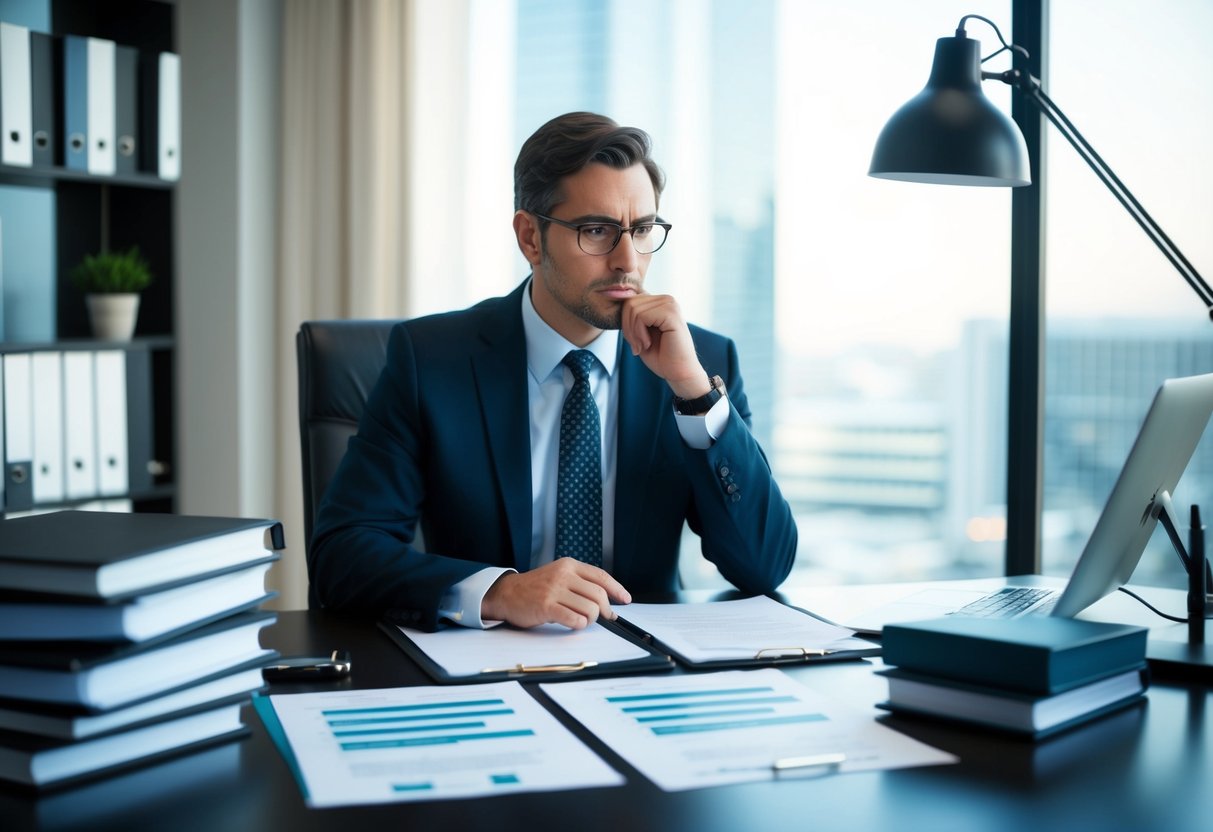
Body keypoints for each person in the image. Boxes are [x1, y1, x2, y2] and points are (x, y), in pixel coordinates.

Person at [309, 111, 797, 632]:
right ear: (531, 238)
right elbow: (342, 556)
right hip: (486, 675)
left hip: (644, 671)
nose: (627, 261)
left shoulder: (702, 365)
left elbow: (764, 566)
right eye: (597, 231)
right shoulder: (430, 359)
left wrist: (694, 394)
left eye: (643, 230)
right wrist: (498, 590)